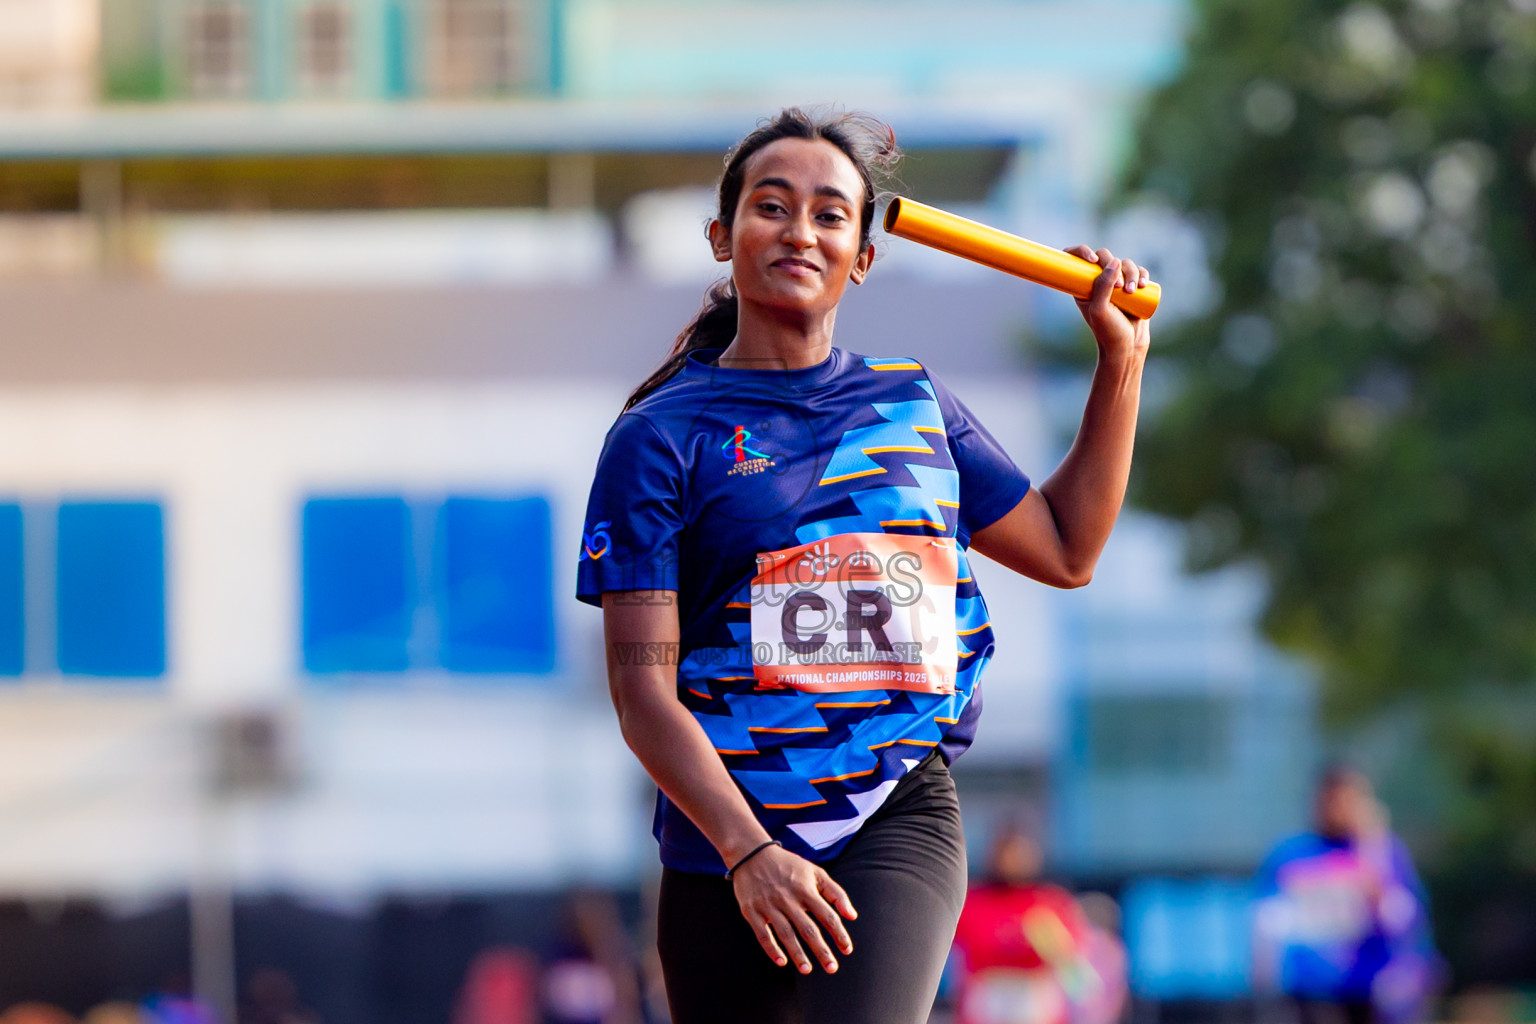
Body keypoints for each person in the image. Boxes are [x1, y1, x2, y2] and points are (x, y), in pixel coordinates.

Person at [576, 106, 1152, 1024]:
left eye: (831, 213)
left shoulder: (913, 404)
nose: (800, 230)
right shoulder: (659, 439)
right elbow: (643, 691)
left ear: (863, 254)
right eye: (772, 206)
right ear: (723, 237)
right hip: (724, 835)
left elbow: (1068, 549)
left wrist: (1119, 365)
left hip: (895, 807)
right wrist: (747, 852)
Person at [1253, 766, 1438, 1024]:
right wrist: (1264, 978)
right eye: (1332, 800)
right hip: (1310, 988)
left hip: (1367, 987)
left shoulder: (1381, 854)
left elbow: (1406, 920)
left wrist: (1374, 855)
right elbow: (1267, 922)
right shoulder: (1290, 855)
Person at [950, 827, 1099, 1024]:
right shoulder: (972, 901)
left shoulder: (1051, 902)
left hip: (1035, 1001)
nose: (1013, 861)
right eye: (1007, 853)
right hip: (986, 1001)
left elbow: (1074, 960)